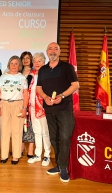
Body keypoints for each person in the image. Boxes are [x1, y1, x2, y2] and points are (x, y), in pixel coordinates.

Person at [37, 42, 79, 182]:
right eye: (50, 48)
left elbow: (75, 85)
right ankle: (60, 165)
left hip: (64, 108)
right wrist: (45, 97)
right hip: (49, 108)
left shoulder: (67, 67)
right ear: (47, 52)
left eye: (56, 48)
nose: (53, 50)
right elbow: (39, 88)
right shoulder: (42, 69)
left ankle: (63, 166)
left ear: (59, 52)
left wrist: (61, 96)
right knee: (54, 137)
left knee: (65, 137)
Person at [0, 56, 28, 165]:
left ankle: (15, 155)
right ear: (9, 64)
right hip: (4, 104)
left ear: (19, 65)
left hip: (18, 104)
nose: (14, 66)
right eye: (12, 63)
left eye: (16, 64)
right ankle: (4, 155)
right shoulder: (3, 77)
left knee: (16, 131)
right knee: (4, 131)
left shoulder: (22, 77)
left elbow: (25, 94)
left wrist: (24, 108)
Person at [26, 52, 51, 166]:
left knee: (45, 132)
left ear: (44, 62)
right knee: (37, 132)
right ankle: (37, 154)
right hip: (32, 107)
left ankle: (47, 155)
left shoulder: (47, 74)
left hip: (43, 107)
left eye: (39, 61)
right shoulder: (31, 74)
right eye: (35, 61)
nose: (36, 63)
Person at [20, 51, 34, 158]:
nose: (25, 60)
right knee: (20, 124)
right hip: (20, 101)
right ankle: (21, 146)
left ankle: (30, 148)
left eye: (27, 58)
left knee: (31, 125)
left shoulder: (35, 72)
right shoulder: (17, 72)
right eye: (24, 58)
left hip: (32, 102)